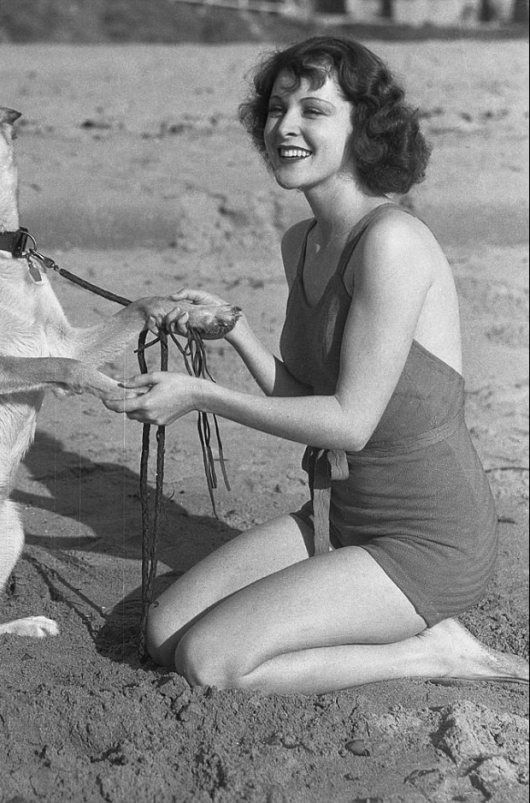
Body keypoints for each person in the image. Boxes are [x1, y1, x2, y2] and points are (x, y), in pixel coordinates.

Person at [102, 36, 529, 693]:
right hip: (340, 513)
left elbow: (349, 423)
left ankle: (433, 651)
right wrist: (237, 332)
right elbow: (311, 398)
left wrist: (200, 394)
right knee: (164, 631)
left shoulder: (391, 243)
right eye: (275, 109)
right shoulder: (300, 241)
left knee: (210, 660)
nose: (285, 127)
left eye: (313, 111)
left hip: (427, 541)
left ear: (363, 127)